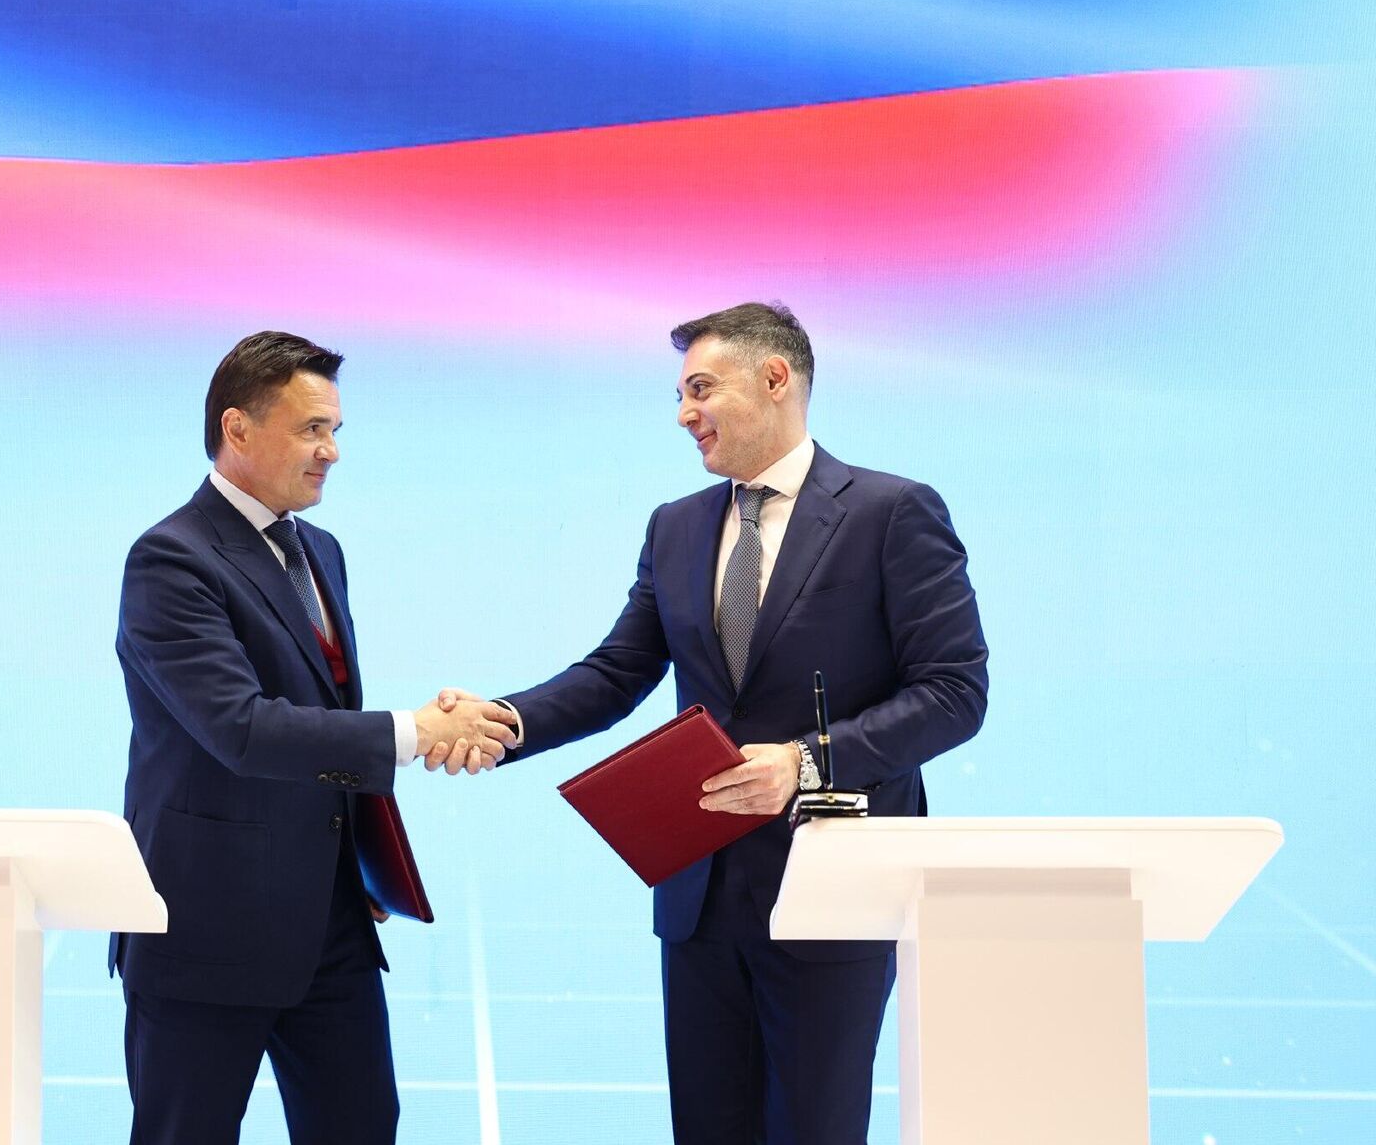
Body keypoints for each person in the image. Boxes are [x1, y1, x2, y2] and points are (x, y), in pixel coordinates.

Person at [453, 302, 988, 1144]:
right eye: (679, 394)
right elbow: (617, 672)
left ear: (775, 378)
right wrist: (504, 719)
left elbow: (955, 691)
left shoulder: (892, 512)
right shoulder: (676, 526)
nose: (684, 413)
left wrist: (805, 762)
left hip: (830, 889)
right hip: (699, 898)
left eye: (700, 389)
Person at [111, 329, 517, 1145]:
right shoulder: (170, 559)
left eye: (334, 429)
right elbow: (242, 727)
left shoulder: (319, 550)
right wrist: (416, 731)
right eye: (311, 429)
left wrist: (360, 861)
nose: (332, 450)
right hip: (206, 931)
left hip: (330, 925)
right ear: (237, 428)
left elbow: (323, 713)